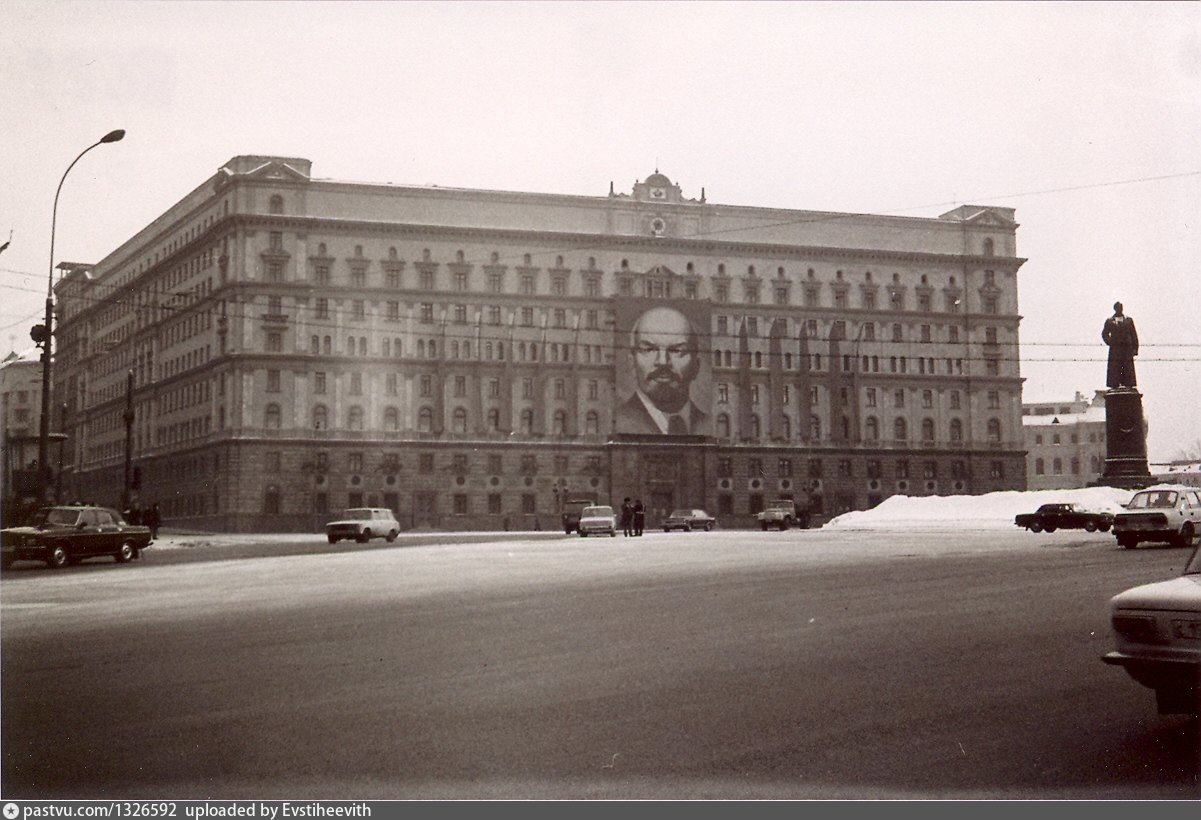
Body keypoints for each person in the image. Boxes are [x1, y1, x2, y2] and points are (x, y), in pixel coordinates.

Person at [615, 306, 708, 435]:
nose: (663, 361)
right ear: (632, 363)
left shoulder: (707, 425)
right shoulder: (620, 422)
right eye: (649, 349)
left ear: (696, 366)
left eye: (676, 350)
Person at [1102, 301, 1139, 389]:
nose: (1119, 309)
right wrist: (1110, 342)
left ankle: (1128, 384)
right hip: (1115, 350)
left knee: (1127, 368)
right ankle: (1115, 384)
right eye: (1118, 307)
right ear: (1115, 309)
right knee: (1115, 368)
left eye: (1120, 307)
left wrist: (1135, 349)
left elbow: (1134, 334)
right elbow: (1104, 334)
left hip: (1127, 349)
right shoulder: (1110, 321)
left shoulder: (1128, 320)